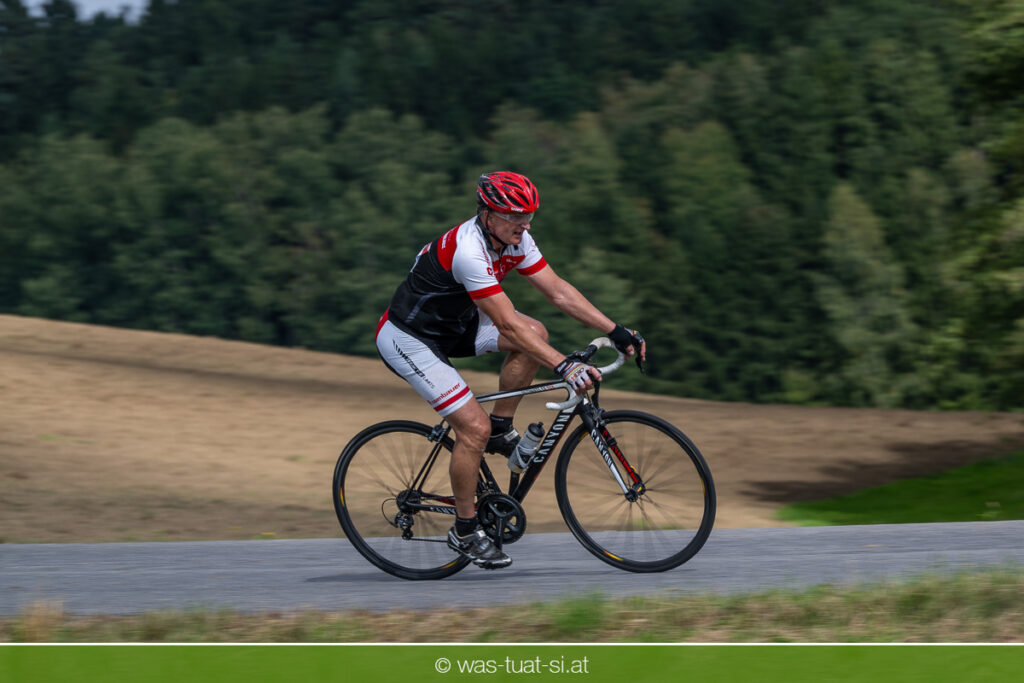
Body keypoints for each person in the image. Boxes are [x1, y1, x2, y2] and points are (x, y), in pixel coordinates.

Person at [375, 171, 646, 569]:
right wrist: (564, 366)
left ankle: (502, 429)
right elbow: (506, 324)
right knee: (473, 428)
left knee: (536, 333)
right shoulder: (468, 251)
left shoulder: (514, 240)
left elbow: (558, 291)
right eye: (515, 216)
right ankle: (464, 531)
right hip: (409, 337)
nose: (525, 225)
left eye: (529, 216)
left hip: (456, 326)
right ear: (487, 215)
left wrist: (615, 330)